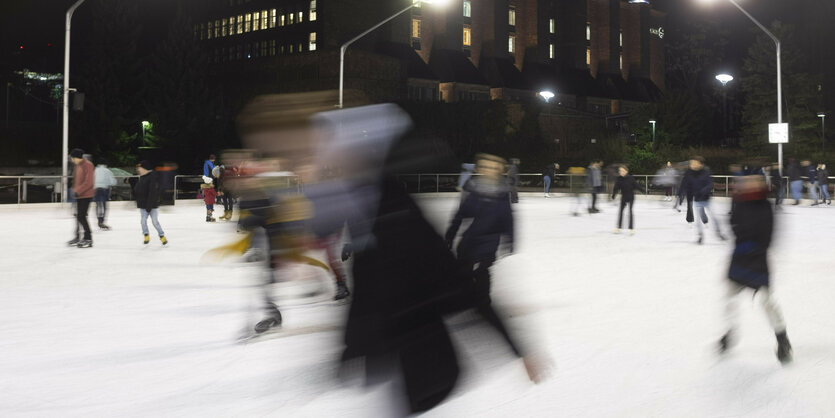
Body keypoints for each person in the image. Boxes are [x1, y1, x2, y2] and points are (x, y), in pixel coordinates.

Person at [444, 154, 531, 366]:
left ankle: (483, 303)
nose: (489, 169)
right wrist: (451, 233)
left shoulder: (503, 192)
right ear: (479, 169)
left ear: (500, 170)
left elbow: (509, 218)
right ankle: (467, 301)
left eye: (493, 167)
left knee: (483, 271)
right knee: (463, 271)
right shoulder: (472, 188)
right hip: (469, 239)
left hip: (489, 242)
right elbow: (460, 213)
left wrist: (510, 241)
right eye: (485, 166)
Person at [719, 175, 792, 364]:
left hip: (758, 261)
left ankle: (782, 340)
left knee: (767, 302)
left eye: (755, 181)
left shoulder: (766, 206)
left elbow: (769, 235)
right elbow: (733, 222)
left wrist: (754, 248)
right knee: (729, 298)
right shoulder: (740, 202)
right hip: (739, 260)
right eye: (748, 181)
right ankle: (729, 333)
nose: (751, 184)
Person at [682, 156, 726, 244]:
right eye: (692, 163)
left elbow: (709, 184)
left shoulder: (706, 172)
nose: (693, 165)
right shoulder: (690, 173)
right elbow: (687, 185)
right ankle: (700, 235)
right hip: (697, 200)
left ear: (701, 164)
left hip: (706, 199)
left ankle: (718, 233)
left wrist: (703, 191)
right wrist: (684, 193)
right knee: (698, 219)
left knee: (714, 217)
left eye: (695, 163)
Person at [134, 160, 167, 245]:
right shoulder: (141, 177)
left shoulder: (152, 177)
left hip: (152, 205)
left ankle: (162, 235)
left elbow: (152, 193)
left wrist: (149, 206)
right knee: (143, 221)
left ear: (144, 168)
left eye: (140, 168)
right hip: (143, 205)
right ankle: (146, 235)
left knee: (155, 222)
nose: (138, 169)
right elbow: (138, 190)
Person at [68, 148, 94, 248]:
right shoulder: (78, 166)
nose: (72, 160)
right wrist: (74, 190)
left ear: (77, 157)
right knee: (78, 216)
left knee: (81, 216)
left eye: (73, 158)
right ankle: (78, 236)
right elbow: (77, 180)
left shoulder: (88, 165)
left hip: (86, 195)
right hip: (79, 195)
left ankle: (88, 238)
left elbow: (89, 182)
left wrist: (78, 191)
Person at [611, 165, 639, 234]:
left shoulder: (631, 178)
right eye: (620, 171)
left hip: (631, 197)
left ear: (626, 171)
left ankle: (631, 228)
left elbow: (636, 186)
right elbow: (616, 187)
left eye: (623, 171)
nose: (621, 172)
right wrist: (614, 194)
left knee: (630, 212)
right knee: (620, 212)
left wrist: (644, 191)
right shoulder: (619, 179)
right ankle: (618, 227)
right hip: (623, 197)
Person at [93, 157, 117, 230]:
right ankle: (102, 221)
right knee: (104, 206)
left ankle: (99, 219)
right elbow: (113, 182)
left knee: (98, 205)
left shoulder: (95, 170)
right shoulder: (107, 171)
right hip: (104, 190)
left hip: (95, 189)